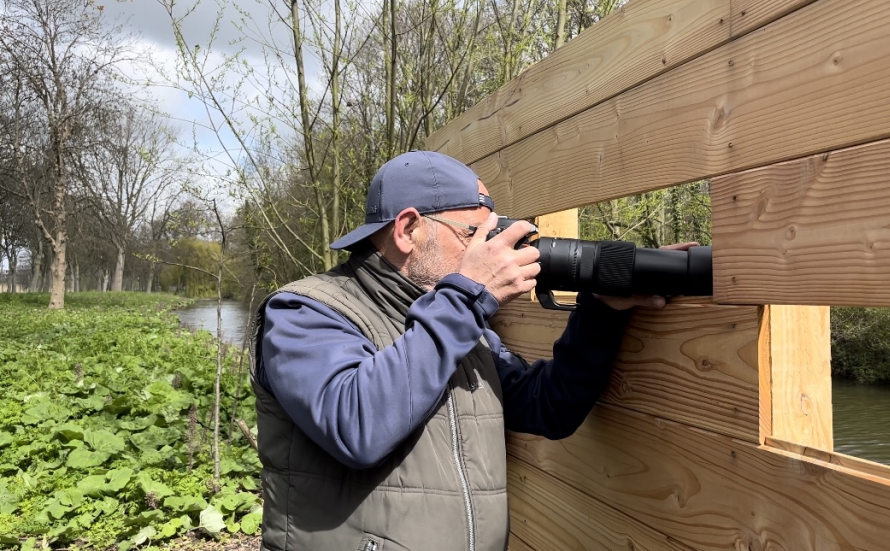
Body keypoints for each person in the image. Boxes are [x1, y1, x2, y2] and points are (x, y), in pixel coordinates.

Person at [250, 151, 695, 551]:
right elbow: (358, 427)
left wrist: (601, 311)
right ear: (408, 230)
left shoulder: (456, 319)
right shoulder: (304, 311)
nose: (490, 249)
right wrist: (467, 296)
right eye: (473, 232)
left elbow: (548, 407)